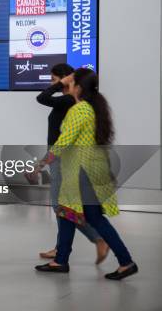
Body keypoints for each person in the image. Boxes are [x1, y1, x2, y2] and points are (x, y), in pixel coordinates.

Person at [35, 68, 138, 280]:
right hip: (81, 171)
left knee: (94, 219)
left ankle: (126, 262)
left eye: (69, 81)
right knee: (66, 213)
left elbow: (64, 141)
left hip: (83, 174)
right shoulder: (88, 107)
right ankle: (60, 260)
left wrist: (41, 163)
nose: (66, 84)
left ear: (78, 87)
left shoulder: (80, 110)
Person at [34, 63, 109, 263]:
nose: (51, 83)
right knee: (62, 205)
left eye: (53, 79)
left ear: (66, 79)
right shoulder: (68, 101)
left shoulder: (68, 100)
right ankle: (61, 248)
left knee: (60, 205)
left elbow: (41, 98)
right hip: (58, 155)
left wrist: (61, 84)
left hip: (61, 156)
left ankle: (98, 238)